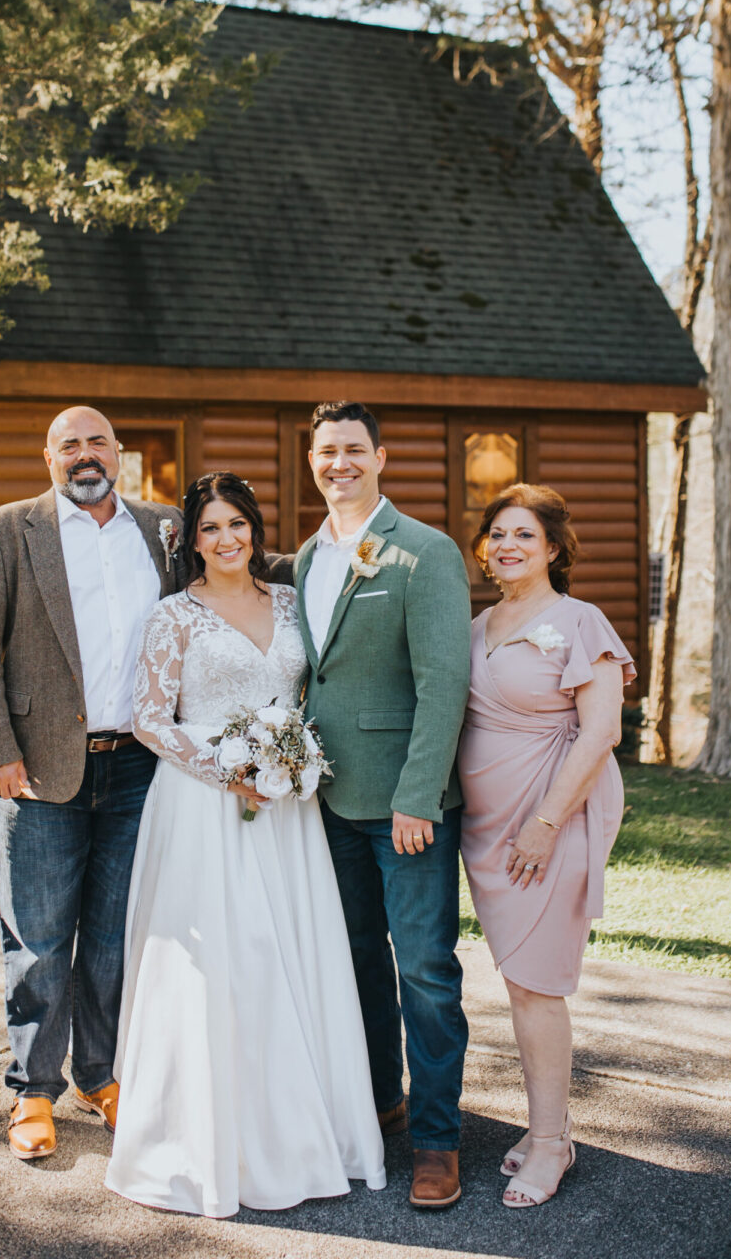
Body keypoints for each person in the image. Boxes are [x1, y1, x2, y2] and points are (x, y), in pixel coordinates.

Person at [105, 472, 386, 1219]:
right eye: (211, 529)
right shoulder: (174, 617)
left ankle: (310, 1125)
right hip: (205, 807)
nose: (226, 539)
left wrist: (288, 756)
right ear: (192, 541)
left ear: (255, 530)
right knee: (228, 962)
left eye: (237, 524)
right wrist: (227, 770)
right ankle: (216, 1140)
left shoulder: (292, 601)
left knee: (295, 952)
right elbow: (148, 718)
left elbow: (309, 692)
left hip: (288, 806)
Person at [0, 405, 184, 1161]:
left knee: (114, 937)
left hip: (139, 767)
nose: (86, 456)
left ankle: (100, 1074)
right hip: (40, 765)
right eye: (69, 445)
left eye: (98, 443)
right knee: (38, 939)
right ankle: (33, 1091)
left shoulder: (162, 530)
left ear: (120, 453)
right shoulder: (7, 529)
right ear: (48, 457)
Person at [295, 401, 472, 1210]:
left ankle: (438, 1142)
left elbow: (444, 685)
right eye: (327, 451)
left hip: (406, 808)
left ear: (381, 458)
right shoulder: (306, 558)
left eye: (354, 450)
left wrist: (419, 797)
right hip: (327, 803)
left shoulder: (423, 553)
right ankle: (382, 1102)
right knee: (358, 964)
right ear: (312, 461)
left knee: (426, 973)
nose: (340, 463)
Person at [458, 482, 634, 1210]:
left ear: (554, 549)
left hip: (552, 818)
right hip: (487, 827)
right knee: (518, 980)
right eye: (498, 533)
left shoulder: (581, 620)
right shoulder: (477, 624)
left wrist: (545, 823)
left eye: (525, 535)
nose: (508, 545)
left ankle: (553, 1141)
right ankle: (545, 1128)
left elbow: (601, 731)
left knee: (538, 982)